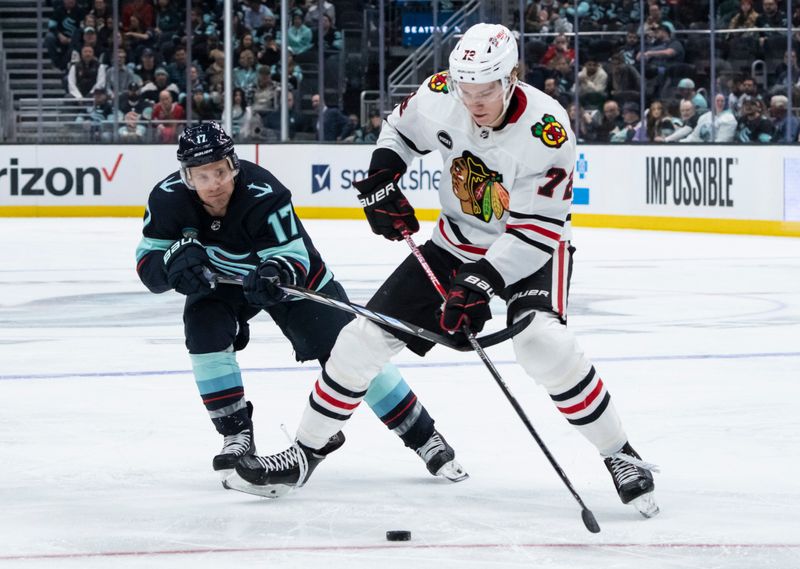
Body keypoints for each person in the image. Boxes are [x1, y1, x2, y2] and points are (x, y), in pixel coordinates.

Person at [234, 23, 659, 518]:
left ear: (512, 78)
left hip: (529, 250)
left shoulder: (548, 129)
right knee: (359, 342)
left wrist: (482, 282)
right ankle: (306, 452)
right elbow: (398, 130)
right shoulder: (440, 92)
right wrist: (382, 177)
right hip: (453, 241)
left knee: (544, 345)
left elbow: (537, 230)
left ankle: (620, 454)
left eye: (486, 92)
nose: (474, 103)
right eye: (466, 90)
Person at [135, 122, 467, 495]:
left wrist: (276, 272)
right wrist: (172, 266)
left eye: (220, 171)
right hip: (222, 284)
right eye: (202, 175)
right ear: (187, 177)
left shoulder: (263, 192)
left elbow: (293, 256)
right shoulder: (166, 199)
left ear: (234, 165)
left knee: (348, 352)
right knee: (203, 330)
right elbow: (149, 268)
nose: (214, 183)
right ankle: (236, 436)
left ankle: (423, 436)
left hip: (291, 282)